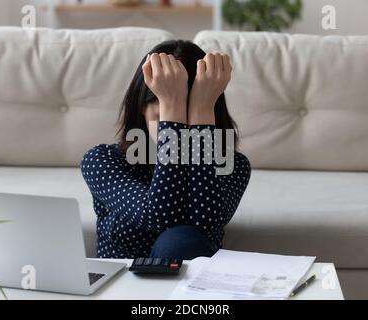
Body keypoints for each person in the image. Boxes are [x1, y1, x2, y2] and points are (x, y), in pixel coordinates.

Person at [81, 40, 251, 259]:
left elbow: (205, 222)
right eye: (163, 119)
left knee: (181, 240)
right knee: (177, 239)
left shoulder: (233, 166)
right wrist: (174, 107)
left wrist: (200, 109)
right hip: (125, 288)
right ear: (141, 111)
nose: (177, 132)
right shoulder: (103, 160)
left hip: (186, 288)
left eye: (192, 121)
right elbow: (158, 215)